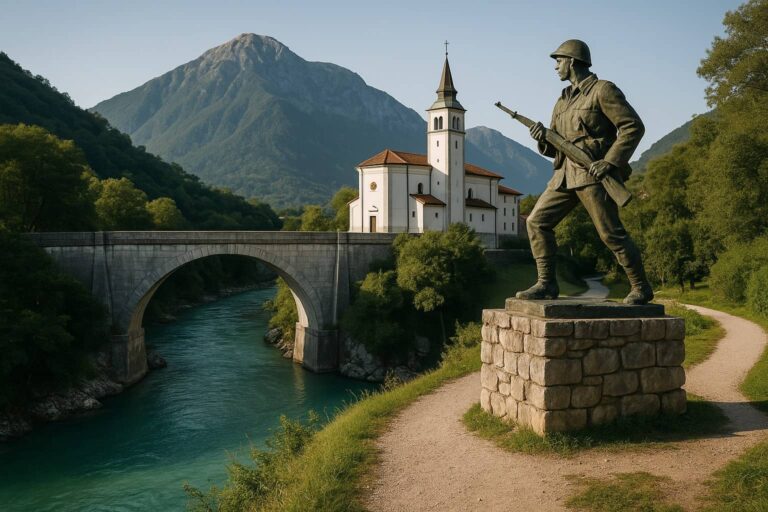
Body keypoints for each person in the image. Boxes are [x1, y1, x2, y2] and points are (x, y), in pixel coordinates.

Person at [517, 39, 653, 305]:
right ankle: (547, 284)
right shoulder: (562, 101)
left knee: (610, 233)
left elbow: (632, 127)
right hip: (564, 175)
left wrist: (611, 162)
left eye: (558, 61)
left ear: (572, 61)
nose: (555, 67)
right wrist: (542, 139)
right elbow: (556, 147)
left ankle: (641, 287)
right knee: (535, 222)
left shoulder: (603, 91)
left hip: (593, 174)